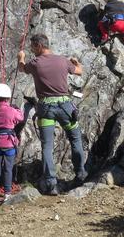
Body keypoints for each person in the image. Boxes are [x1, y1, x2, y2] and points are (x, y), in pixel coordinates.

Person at [17, 33, 87, 195]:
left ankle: (50, 183)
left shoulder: (35, 63)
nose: (32, 50)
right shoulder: (63, 60)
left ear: (39, 46)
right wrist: (77, 63)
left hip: (46, 108)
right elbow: (79, 71)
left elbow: (22, 68)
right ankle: (81, 174)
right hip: (65, 107)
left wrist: (21, 57)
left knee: (47, 145)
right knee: (75, 138)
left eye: (33, 47)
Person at [0, 83, 24, 204]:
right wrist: (16, 108)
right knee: (8, 169)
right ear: (8, 98)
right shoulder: (12, 111)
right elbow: (21, 118)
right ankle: (7, 193)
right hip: (9, 143)